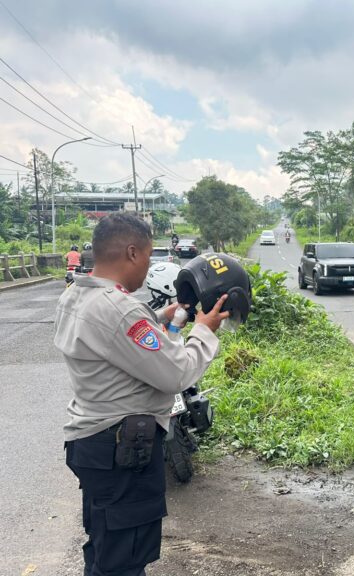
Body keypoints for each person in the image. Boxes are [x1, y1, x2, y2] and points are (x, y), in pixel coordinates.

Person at [54, 213, 230, 576]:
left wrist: (162, 318)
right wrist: (205, 330)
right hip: (121, 451)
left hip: (92, 445)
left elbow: (119, 341)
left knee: (105, 546)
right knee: (124, 560)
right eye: (149, 258)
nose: (148, 267)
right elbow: (177, 373)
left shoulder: (76, 295)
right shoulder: (120, 310)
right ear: (132, 252)